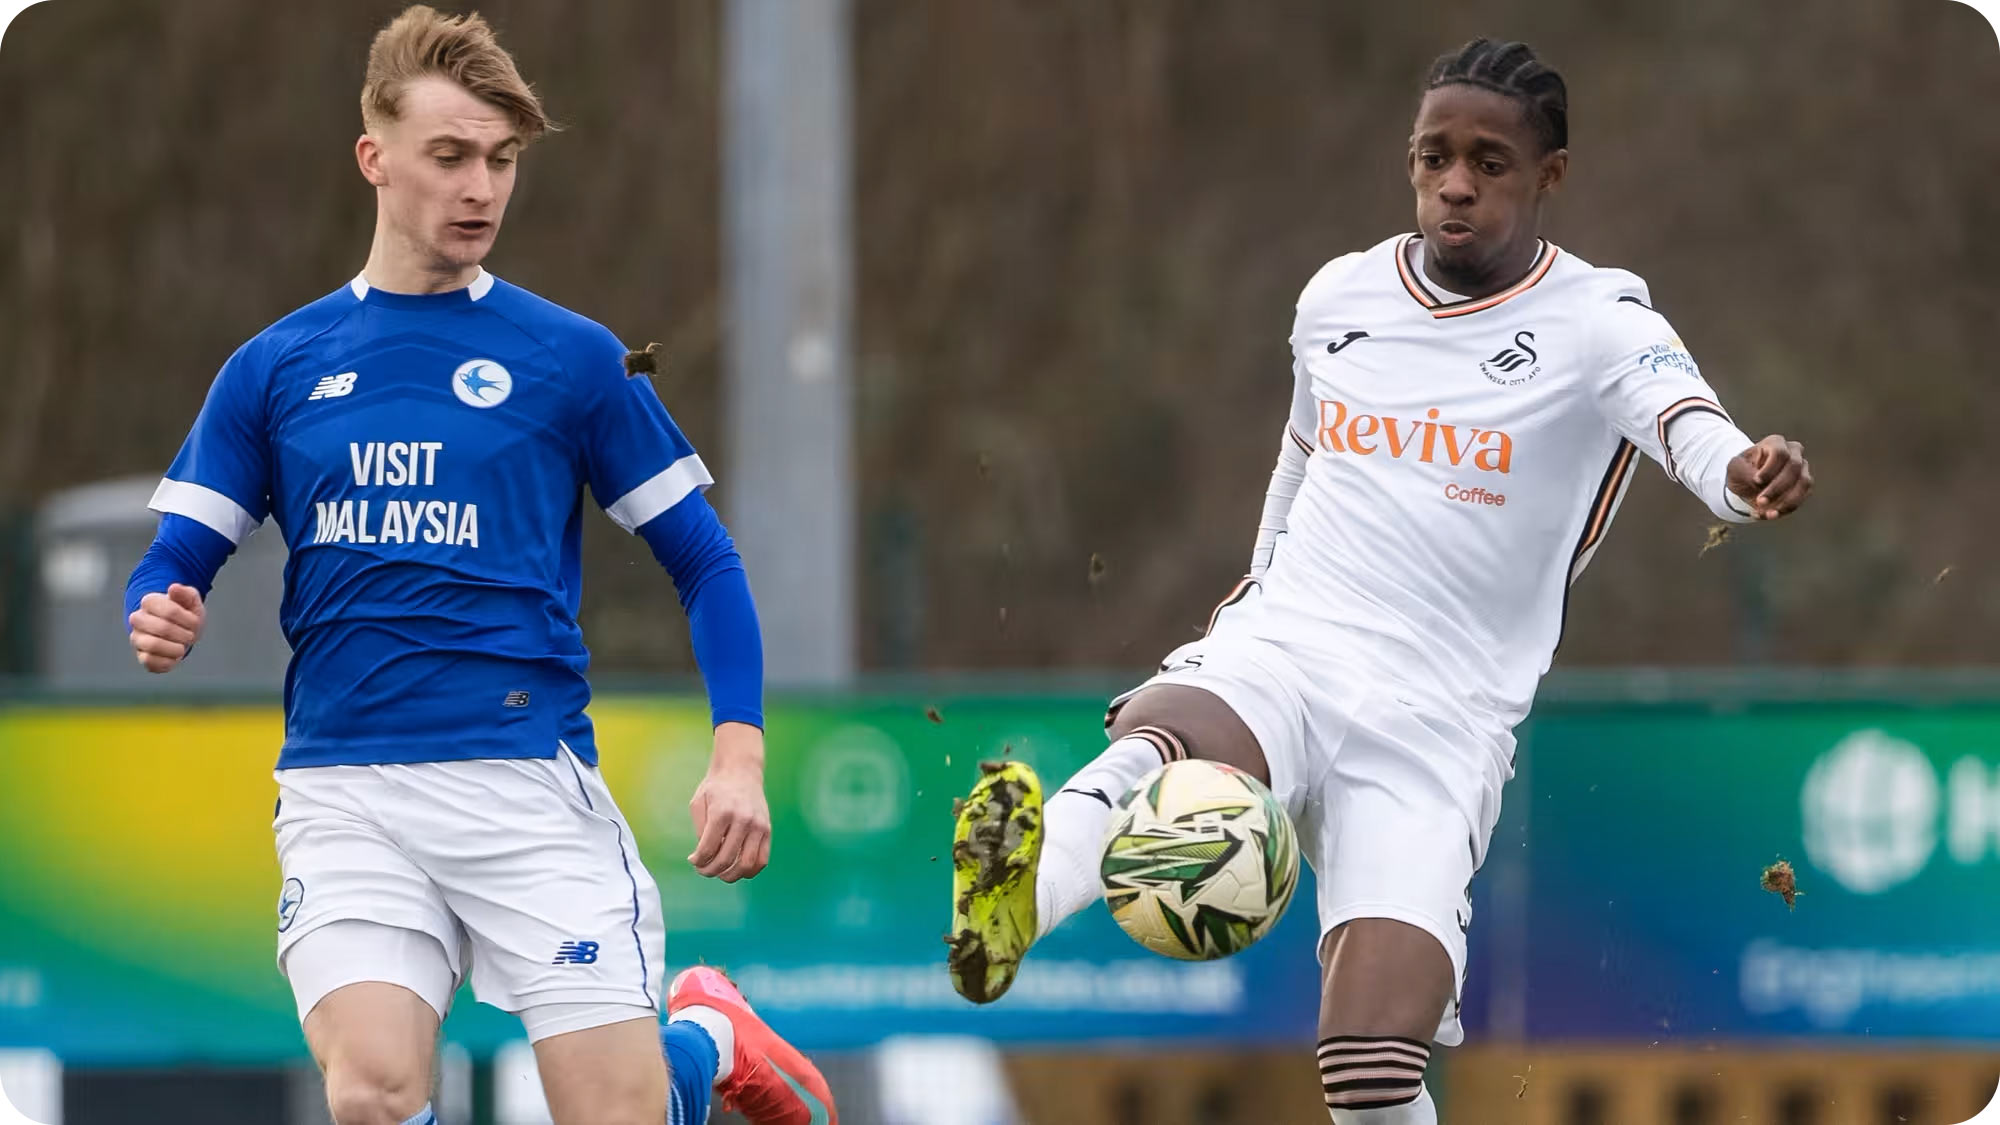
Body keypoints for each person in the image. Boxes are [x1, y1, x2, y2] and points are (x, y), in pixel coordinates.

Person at [947, 37, 1813, 1124]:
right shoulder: (1337, 295)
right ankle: (1011, 901)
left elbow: (1689, 429)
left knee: (1366, 1069)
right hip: (1292, 644)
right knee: (1161, 737)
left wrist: (1743, 475)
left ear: (1548, 176)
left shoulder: (1600, 325)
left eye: (1488, 163)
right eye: (1431, 157)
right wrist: (1248, 601)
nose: (1454, 184)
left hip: (1437, 718)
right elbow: (1300, 459)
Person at [122, 7, 834, 1124]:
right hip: (343, 788)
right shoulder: (276, 366)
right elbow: (177, 555)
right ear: (375, 158)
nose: (480, 188)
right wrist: (156, 608)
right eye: (450, 156)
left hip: (521, 781)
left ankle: (702, 1041)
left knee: (614, 1116)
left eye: (499, 161)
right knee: (372, 1094)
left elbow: (704, 560)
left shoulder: (577, 359)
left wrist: (737, 755)